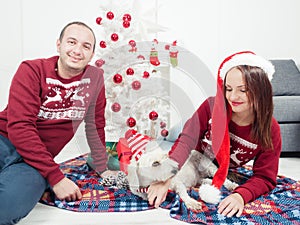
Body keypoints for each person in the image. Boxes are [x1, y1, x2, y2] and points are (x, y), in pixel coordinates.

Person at [0, 21, 115, 224]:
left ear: (92, 54)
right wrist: (57, 178)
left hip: (35, 163)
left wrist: (102, 166)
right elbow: (20, 128)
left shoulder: (95, 79)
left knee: (7, 208)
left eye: (86, 46)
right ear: (59, 44)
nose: (78, 51)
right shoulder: (32, 70)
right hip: (4, 141)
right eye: (72, 42)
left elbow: (95, 126)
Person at [147, 51, 282, 218]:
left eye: (243, 90)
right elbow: (187, 140)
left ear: (260, 91)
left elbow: (265, 177)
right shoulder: (211, 106)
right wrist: (165, 177)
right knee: (171, 137)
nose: (233, 96)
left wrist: (241, 195)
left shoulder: (271, 129)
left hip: (213, 168)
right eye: (228, 89)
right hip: (193, 154)